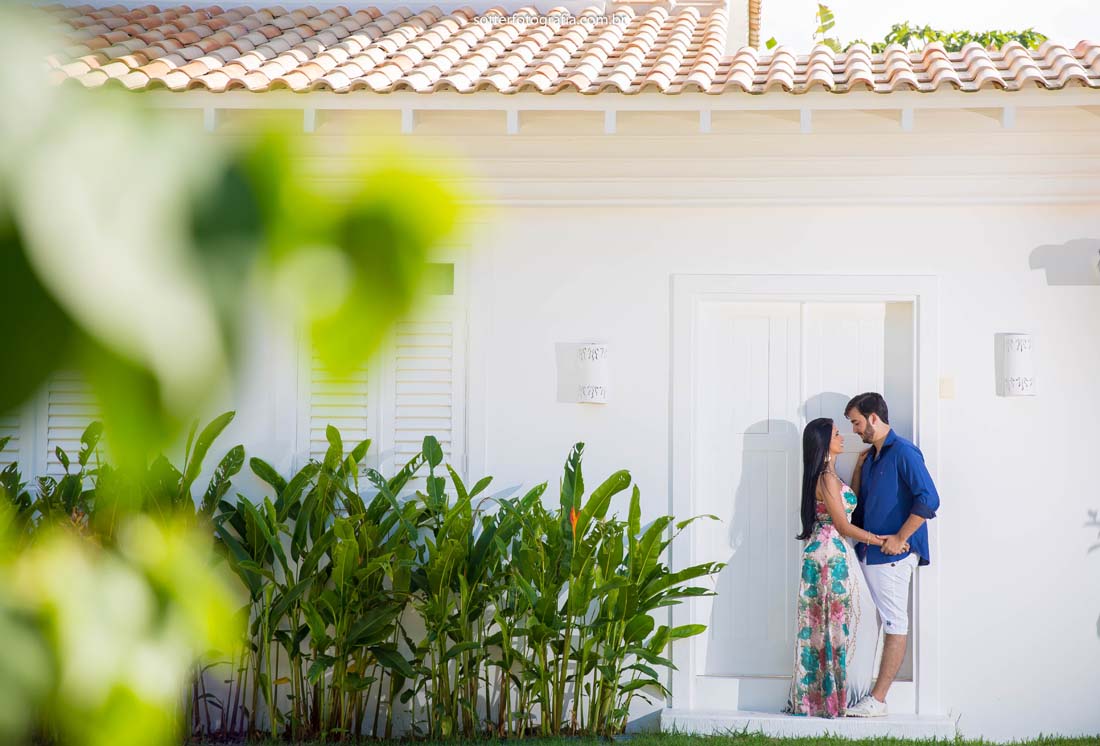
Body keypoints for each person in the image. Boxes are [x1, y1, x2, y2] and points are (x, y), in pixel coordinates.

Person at [783, 417, 906, 718]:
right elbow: (842, 524)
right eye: (838, 434)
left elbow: (844, 504)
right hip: (828, 555)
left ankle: (833, 696)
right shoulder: (825, 478)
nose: (843, 438)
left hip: (835, 553)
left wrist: (858, 471)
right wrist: (882, 541)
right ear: (824, 442)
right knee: (833, 624)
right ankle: (829, 698)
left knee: (834, 624)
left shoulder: (830, 476)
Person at [843, 392, 940, 718]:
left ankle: (879, 700)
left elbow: (929, 499)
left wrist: (900, 537)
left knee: (895, 622)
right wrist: (858, 466)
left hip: (894, 556)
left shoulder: (904, 452)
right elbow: (862, 505)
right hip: (868, 553)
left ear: (873, 417)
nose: (854, 430)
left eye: (856, 422)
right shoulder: (871, 458)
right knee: (866, 621)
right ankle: (857, 692)